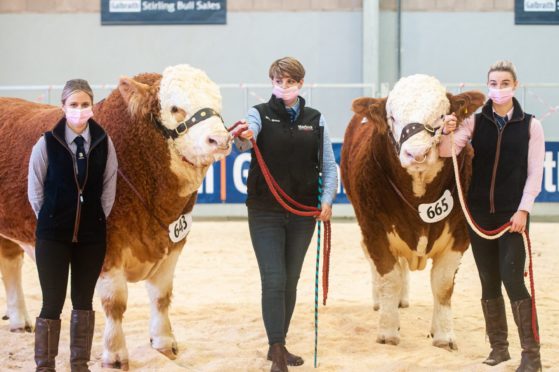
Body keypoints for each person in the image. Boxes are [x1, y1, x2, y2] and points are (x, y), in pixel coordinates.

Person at [440, 61, 544, 372]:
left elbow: (535, 173)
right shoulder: (474, 121)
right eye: (493, 83)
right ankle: (499, 348)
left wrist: (523, 209)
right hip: (478, 215)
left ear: (515, 84)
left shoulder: (531, 126)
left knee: (513, 278)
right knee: (488, 281)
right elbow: (448, 152)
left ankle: (532, 354)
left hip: (512, 217)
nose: (498, 88)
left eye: (504, 83)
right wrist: (446, 130)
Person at [235, 57, 337, 372]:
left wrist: (327, 199)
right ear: (272, 83)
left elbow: (329, 164)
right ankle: (277, 350)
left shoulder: (315, 119)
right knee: (274, 278)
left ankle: (278, 342)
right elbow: (243, 140)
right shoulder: (259, 114)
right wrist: (243, 136)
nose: (284, 87)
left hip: (303, 211)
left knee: (291, 280)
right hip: (265, 210)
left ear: (300, 84)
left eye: (290, 82)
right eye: (279, 82)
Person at [28, 79, 118, 372]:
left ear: (92, 106)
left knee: (83, 302)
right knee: (51, 302)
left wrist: (94, 218)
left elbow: (108, 189)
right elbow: (35, 191)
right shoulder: (47, 143)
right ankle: (45, 367)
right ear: (63, 107)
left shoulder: (104, 142)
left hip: (91, 238)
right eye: (74, 105)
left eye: (85, 105)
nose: (80, 110)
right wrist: (54, 219)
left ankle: (79, 365)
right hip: (52, 237)